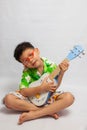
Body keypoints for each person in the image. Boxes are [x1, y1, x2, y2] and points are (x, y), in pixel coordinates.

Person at [4, 42, 74, 124]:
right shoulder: (27, 72)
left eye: (30, 55)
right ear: (23, 65)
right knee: (8, 99)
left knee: (69, 98)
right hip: (31, 99)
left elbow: (55, 86)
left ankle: (35, 114)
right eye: (25, 61)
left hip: (48, 96)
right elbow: (23, 91)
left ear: (37, 51)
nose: (30, 60)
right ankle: (47, 111)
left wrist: (62, 73)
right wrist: (40, 88)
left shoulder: (51, 65)